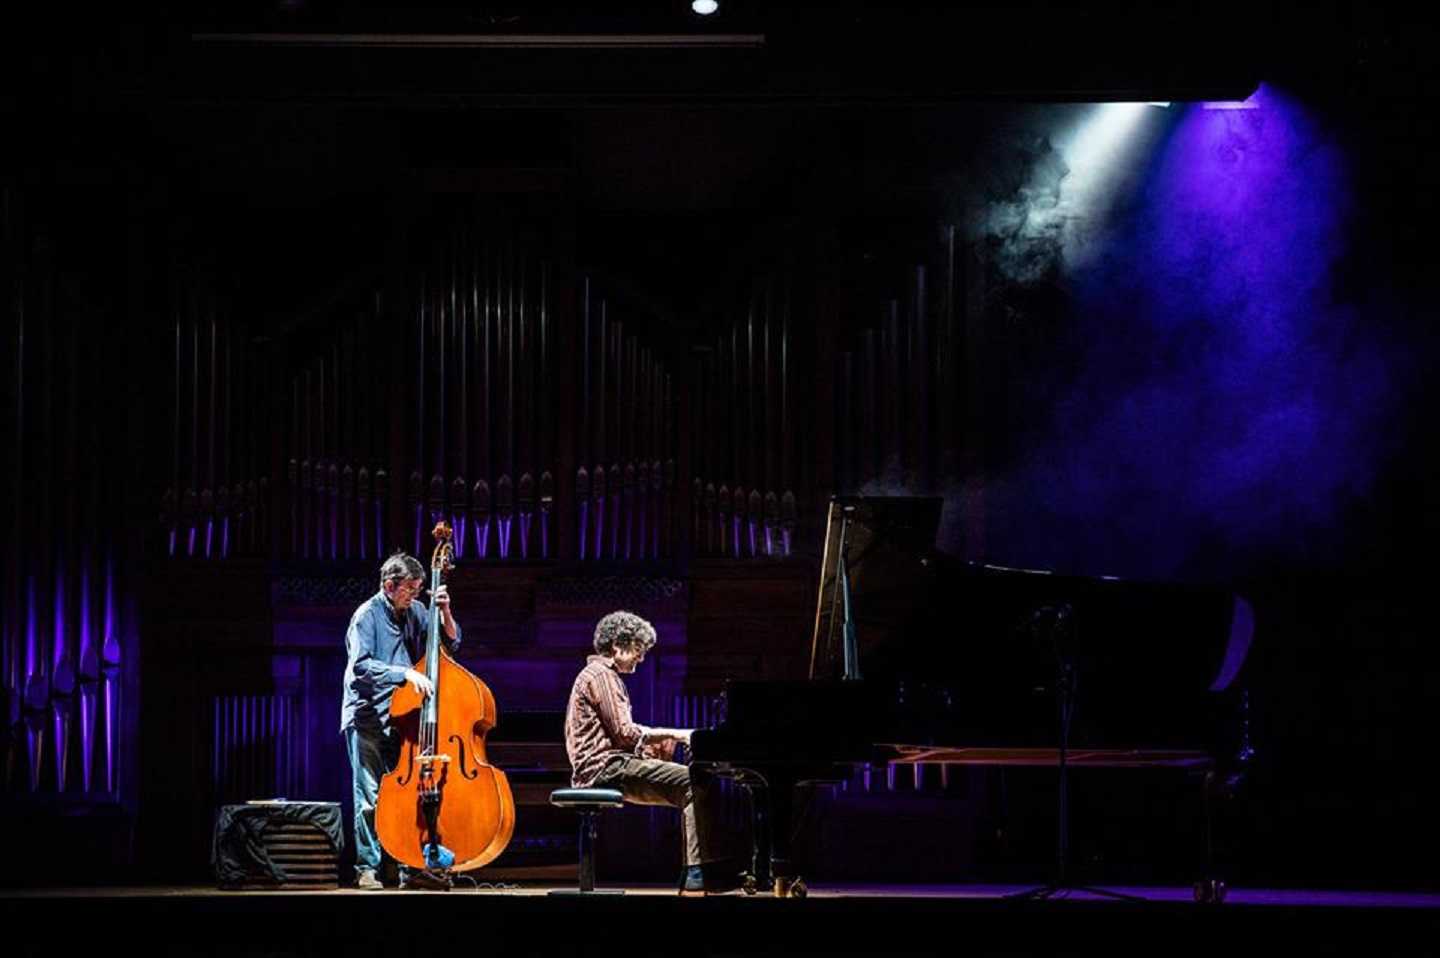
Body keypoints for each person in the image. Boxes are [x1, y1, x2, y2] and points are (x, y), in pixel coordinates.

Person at [563, 610, 732, 895]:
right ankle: (698, 874)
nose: (641, 659)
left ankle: (702, 871)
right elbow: (625, 733)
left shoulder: (600, 675)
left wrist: (651, 744)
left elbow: (623, 735)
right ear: (618, 646)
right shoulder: (601, 675)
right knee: (695, 782)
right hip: (606, 769)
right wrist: (677, 734)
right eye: (638, 651)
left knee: (693, 782)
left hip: (610, 765)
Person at [340, 551, 461, 889]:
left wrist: (445, 611)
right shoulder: (366, 616)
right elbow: (359, 668)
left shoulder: (417, 611)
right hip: (367, 717)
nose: (415, 595)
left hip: (403, 719)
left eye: (419, 588)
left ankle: (408, 865)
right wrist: (404, 673)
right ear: (390, 585)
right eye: (410, 588)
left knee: (406, 798)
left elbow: (450, 645)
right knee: (369, 797)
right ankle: (367, 867)